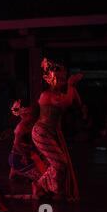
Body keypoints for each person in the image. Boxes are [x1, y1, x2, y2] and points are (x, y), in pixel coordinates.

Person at [31, 58, 82, 201]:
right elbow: (66, 102)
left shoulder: (59, 94)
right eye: (58, 78)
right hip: (41, 133)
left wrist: (73, 87)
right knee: (60, 163)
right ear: (49, 79)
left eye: (63, 79)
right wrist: (71, 86)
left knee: (58, 163)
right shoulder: (46, 95)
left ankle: (46, 187)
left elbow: (77, 103)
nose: (62, 81)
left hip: (51, 133)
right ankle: (43, 186)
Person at [8, 100, 45, 181]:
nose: (31, 116)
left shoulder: (30, 125)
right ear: (22, 114)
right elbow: (16, 144)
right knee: (42, 178)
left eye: (31, 114)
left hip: (26, 155)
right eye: (28, 114)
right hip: (19, 157)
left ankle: (16, 170)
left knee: (45, 168)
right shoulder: (20, 127)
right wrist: (24, 156)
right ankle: (16, 170)